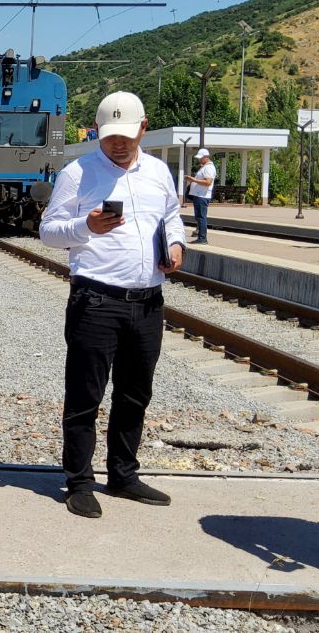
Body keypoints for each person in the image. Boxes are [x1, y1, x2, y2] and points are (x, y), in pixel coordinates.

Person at [40, 91, 186, 519]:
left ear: (143, 128)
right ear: (97, 133)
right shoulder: (77, 173)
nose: (118, 144)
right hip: (96, 301)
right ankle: (79, 482)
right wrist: (86, 226)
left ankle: (123, 474)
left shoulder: (158, 171)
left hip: (148, 302)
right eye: (109, 137)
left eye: (126, 135)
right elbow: (48, 231)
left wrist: (176, 244)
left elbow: (171, 216)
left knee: (135, 393)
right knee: (85, 395)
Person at [184, 148, 216, 244]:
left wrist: (193, 180)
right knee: (199, 217)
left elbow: (208, 182)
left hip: (202, 195)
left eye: (201, 158)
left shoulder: (209, 168)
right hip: (199, 195)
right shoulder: (205, 167)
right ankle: (200, 236)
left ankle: (202, 238)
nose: (199, 160)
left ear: (206, 157)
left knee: (201, 217)